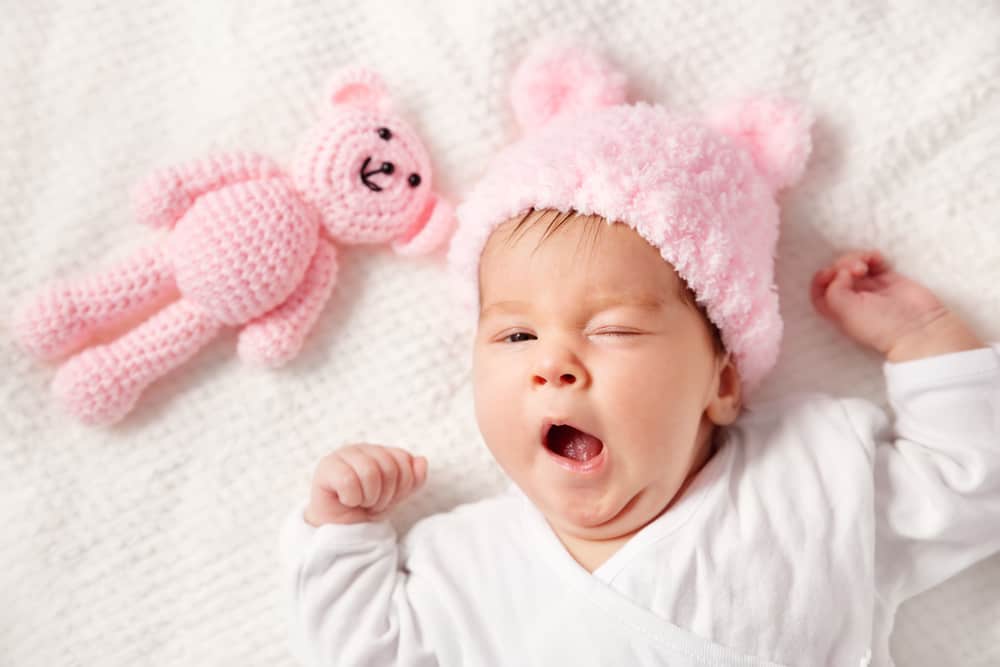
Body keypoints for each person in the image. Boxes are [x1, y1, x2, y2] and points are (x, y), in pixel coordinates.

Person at [279, 41, 999, 666]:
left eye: (613, 329)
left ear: (720, 381)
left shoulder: (808, 480)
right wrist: (342, 531)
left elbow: (972, 486)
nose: (552, 364)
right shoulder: (466, 566)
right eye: (515, 335)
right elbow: (355, 651)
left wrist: (923, 337)